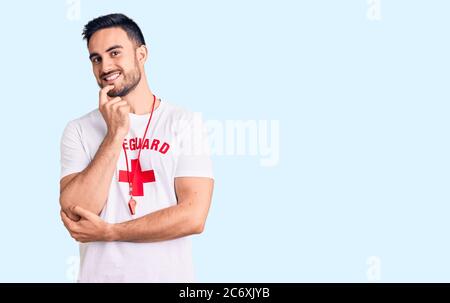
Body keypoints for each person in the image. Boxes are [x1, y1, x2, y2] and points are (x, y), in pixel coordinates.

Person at [59, 13, 214, 282]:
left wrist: (111, 232)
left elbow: (193, 215)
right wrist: (115, 134)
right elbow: (76, 211)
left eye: (114, 53)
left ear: (141, 54)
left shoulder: (184, 122)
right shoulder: (79, 129)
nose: (105, 66)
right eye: (96, 58)